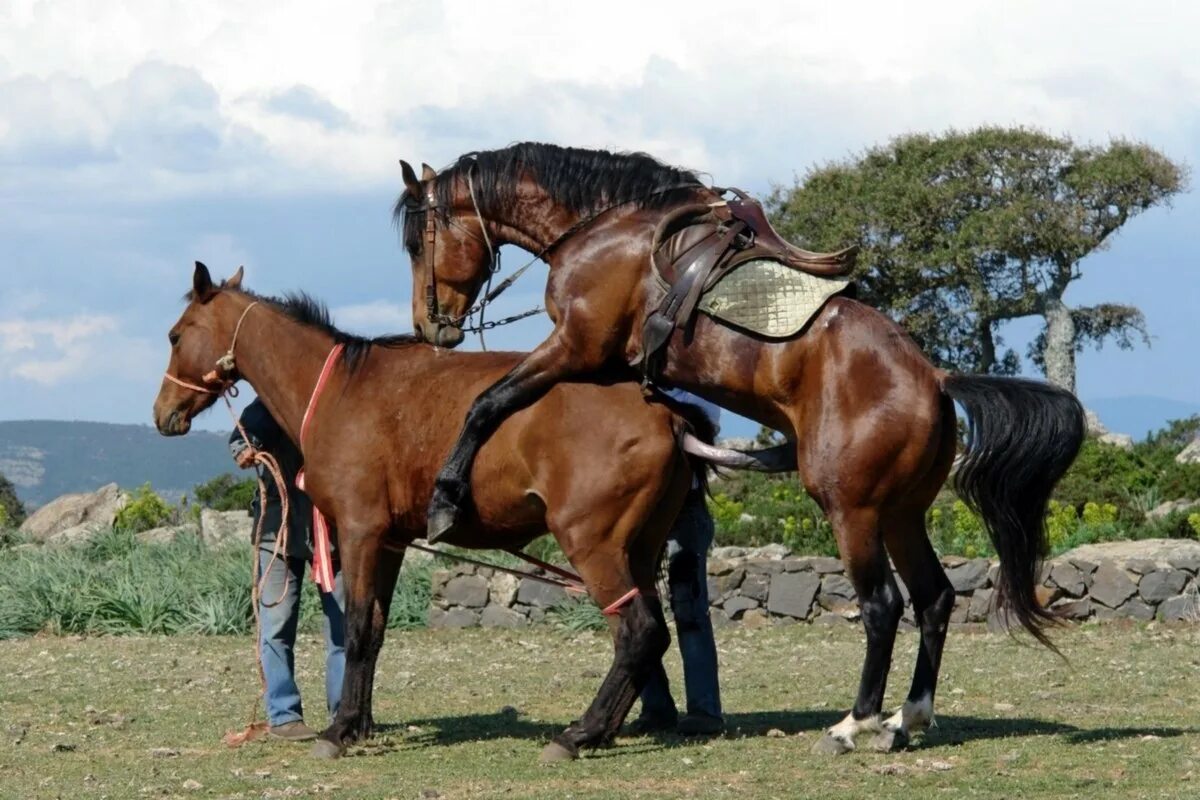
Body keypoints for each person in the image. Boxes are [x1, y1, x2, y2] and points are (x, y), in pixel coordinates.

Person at [229, 398, 346, 742]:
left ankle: (344, 713)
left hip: (334, 531)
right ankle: (283, 716)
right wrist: (243, 448)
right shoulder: (271, 398)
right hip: (277, 530)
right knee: (276, 626)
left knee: (345, 628)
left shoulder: (337, 400)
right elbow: (243, 434)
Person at [630, 388, 725, 736]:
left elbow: (698, 422)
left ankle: (705, 712)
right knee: (639, 613)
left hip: (685, 508)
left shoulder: (696, 385)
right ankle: (656, 709)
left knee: (689, 610)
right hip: (639, 511)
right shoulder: (637, 383)